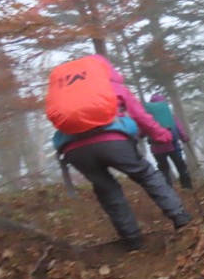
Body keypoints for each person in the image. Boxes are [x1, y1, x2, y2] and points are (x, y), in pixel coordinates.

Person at [56, 55, 192, 251]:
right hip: (113, 142)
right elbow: (140, 116)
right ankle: (179, 216)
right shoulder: (112, 86)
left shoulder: (67, 94)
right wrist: (162, 135)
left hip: (74, 150)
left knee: (106, 189)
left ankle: (131, 239)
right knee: (145, 174)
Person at [146, 94, 193, 189]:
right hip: (173, 146)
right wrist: (184, 138)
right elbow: (179, 129)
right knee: (180, 166)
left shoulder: (149, 119)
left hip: (157, 149)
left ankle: (167, 189)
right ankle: (187, 186)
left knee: (163, 169)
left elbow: (142, 133)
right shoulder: (171, 116)